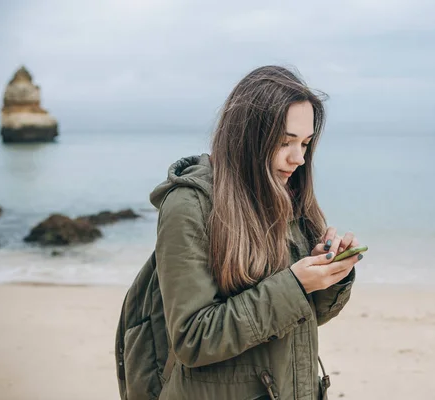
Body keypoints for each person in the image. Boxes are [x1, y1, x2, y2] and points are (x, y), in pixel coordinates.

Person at [152, 65, 363, 400]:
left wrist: (329, 275)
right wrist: (295, 284)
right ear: (247, 135)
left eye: (305, 143)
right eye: (285, 142)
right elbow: (192, 339)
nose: (299, 159)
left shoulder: (290, 199)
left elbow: (305, 318)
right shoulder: (189, 206)